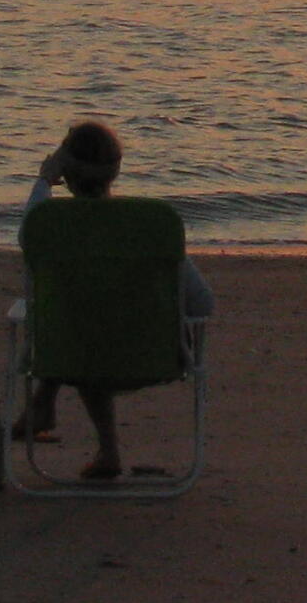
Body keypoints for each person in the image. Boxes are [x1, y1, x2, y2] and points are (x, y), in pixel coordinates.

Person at [13, 118, 212, 482]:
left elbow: (30, 233)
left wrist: (44, 179)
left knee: (81, 318)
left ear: (66, 173)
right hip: (153, 356)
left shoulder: (52, 228)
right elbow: (202, 304)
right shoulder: (151, 227)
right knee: (98, 318)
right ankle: (104, 450)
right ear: (115, 172)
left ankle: (48, 405)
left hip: (71, 357)